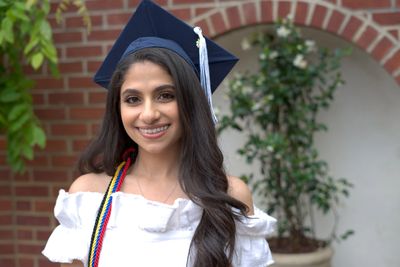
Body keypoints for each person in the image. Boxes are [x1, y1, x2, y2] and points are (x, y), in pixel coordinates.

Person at [42, 1, 276, 266]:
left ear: (190, 102)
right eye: (133, 99)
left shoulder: (229, 196)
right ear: (117, 108)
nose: (149, 113)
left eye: (165, 95)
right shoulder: (88, 196)